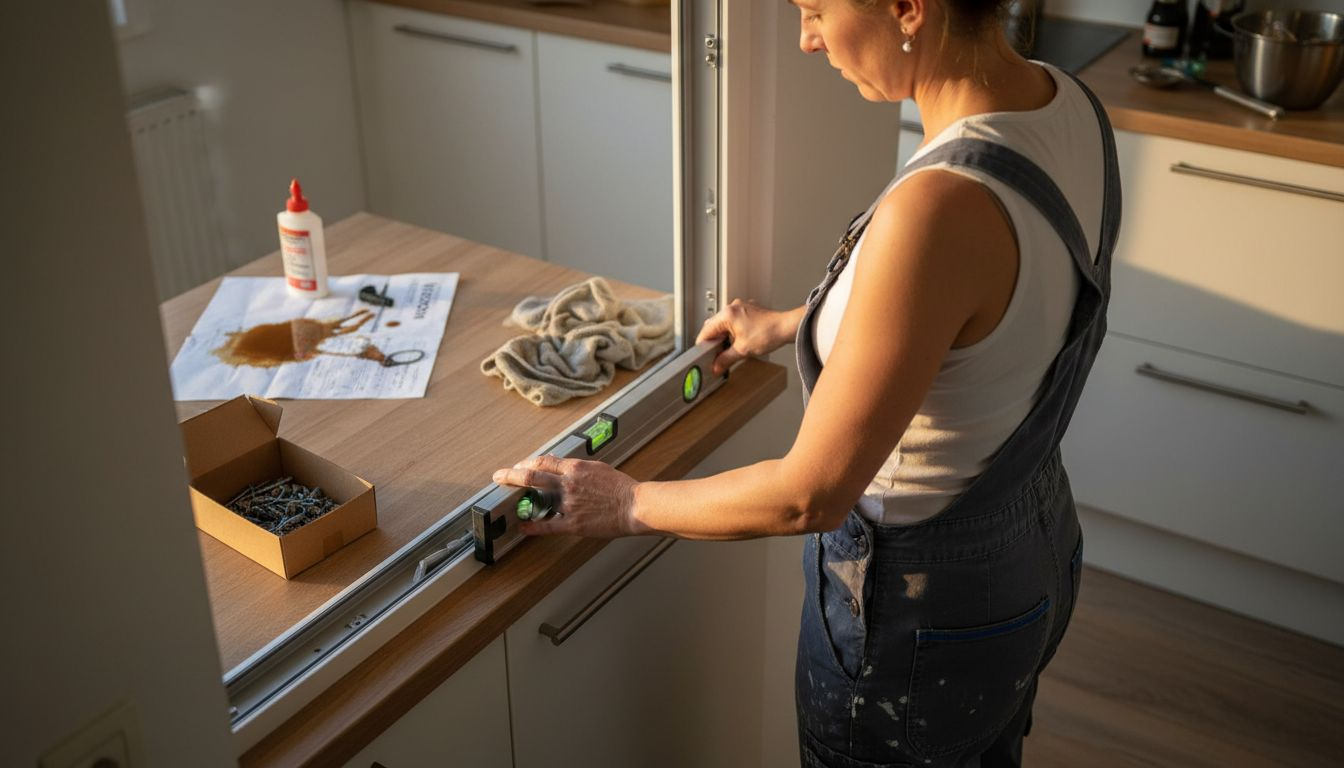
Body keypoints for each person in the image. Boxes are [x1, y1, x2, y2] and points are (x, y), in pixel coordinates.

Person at [493, 0, 1120, 765]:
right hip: (1033, 551)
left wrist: (624, 501)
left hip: (921, 617)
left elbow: (809, 494)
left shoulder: (938, 205)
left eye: (815, 9)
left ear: (907, 8)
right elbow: (985, 310)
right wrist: (799, 320)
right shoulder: (1067, 102)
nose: (806, 37)